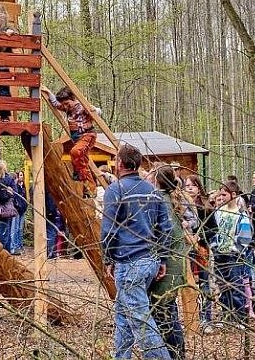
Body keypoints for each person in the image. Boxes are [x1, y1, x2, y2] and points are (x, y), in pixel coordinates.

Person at [100, 143, 172, 359]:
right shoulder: (152, 191)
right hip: (149, 260)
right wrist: (162, 259)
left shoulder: (116, 190)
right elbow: (165, 228)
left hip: (130, 262)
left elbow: (108, 230)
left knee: (141, 322)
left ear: (119, 163)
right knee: (123, 317)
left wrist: (107, 258)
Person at [147, 165, 188, 360]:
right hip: (173, 266)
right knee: (168, 313)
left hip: (167, 269)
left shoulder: (159, 203)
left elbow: (162, 235)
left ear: (156, 179)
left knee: (165, 316)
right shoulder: (165, 201)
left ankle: (174, 356)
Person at [204, 180, 252, 328]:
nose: (222, 197)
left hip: (233, 256)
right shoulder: (218, 213)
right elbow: (212, 230)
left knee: (236, 286)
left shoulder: (241, 215)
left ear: (233, 194)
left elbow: (245, 236)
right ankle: (227, 315)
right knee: (222, 287)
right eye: (220, 194)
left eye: (224, 194)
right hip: (219, 254)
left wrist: (236, 249)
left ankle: (240, 318)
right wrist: (214, 246)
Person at [44, 86, 101, 197]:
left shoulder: (81, 106)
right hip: (77, 138)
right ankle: (90, 187)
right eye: (64, 104)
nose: (65, 106)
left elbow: (96, 111)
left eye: (67, 103)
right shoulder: (66, 108)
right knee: (83, 163)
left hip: (87, 135)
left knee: (75, 152)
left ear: (73, 99)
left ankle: (79, 172)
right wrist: (47, 91)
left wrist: (95, 110)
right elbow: (56, 103)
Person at [183, 175, 214, 332]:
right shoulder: (181, 205)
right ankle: (193, 319)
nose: (189, 188)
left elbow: (213, 229)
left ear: (199, 187)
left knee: (205, 284)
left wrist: (201, 236)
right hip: (187, 250)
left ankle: (207, 318)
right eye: (187, 185)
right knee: (190, 285)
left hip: (202, 249)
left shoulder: (206, 207)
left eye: (193, 185)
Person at [9, 169, 28, 256]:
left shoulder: (23, 186)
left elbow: (25, 198)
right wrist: (17, 206)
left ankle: (20, 245)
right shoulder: (15, 186)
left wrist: (25, 206)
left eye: (22, 175)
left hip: (22, 210)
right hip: (16, 209)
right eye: (20, 175)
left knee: (20, 229)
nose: (21, 177)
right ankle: (14, 247)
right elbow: (15, 198)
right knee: (15, 229)